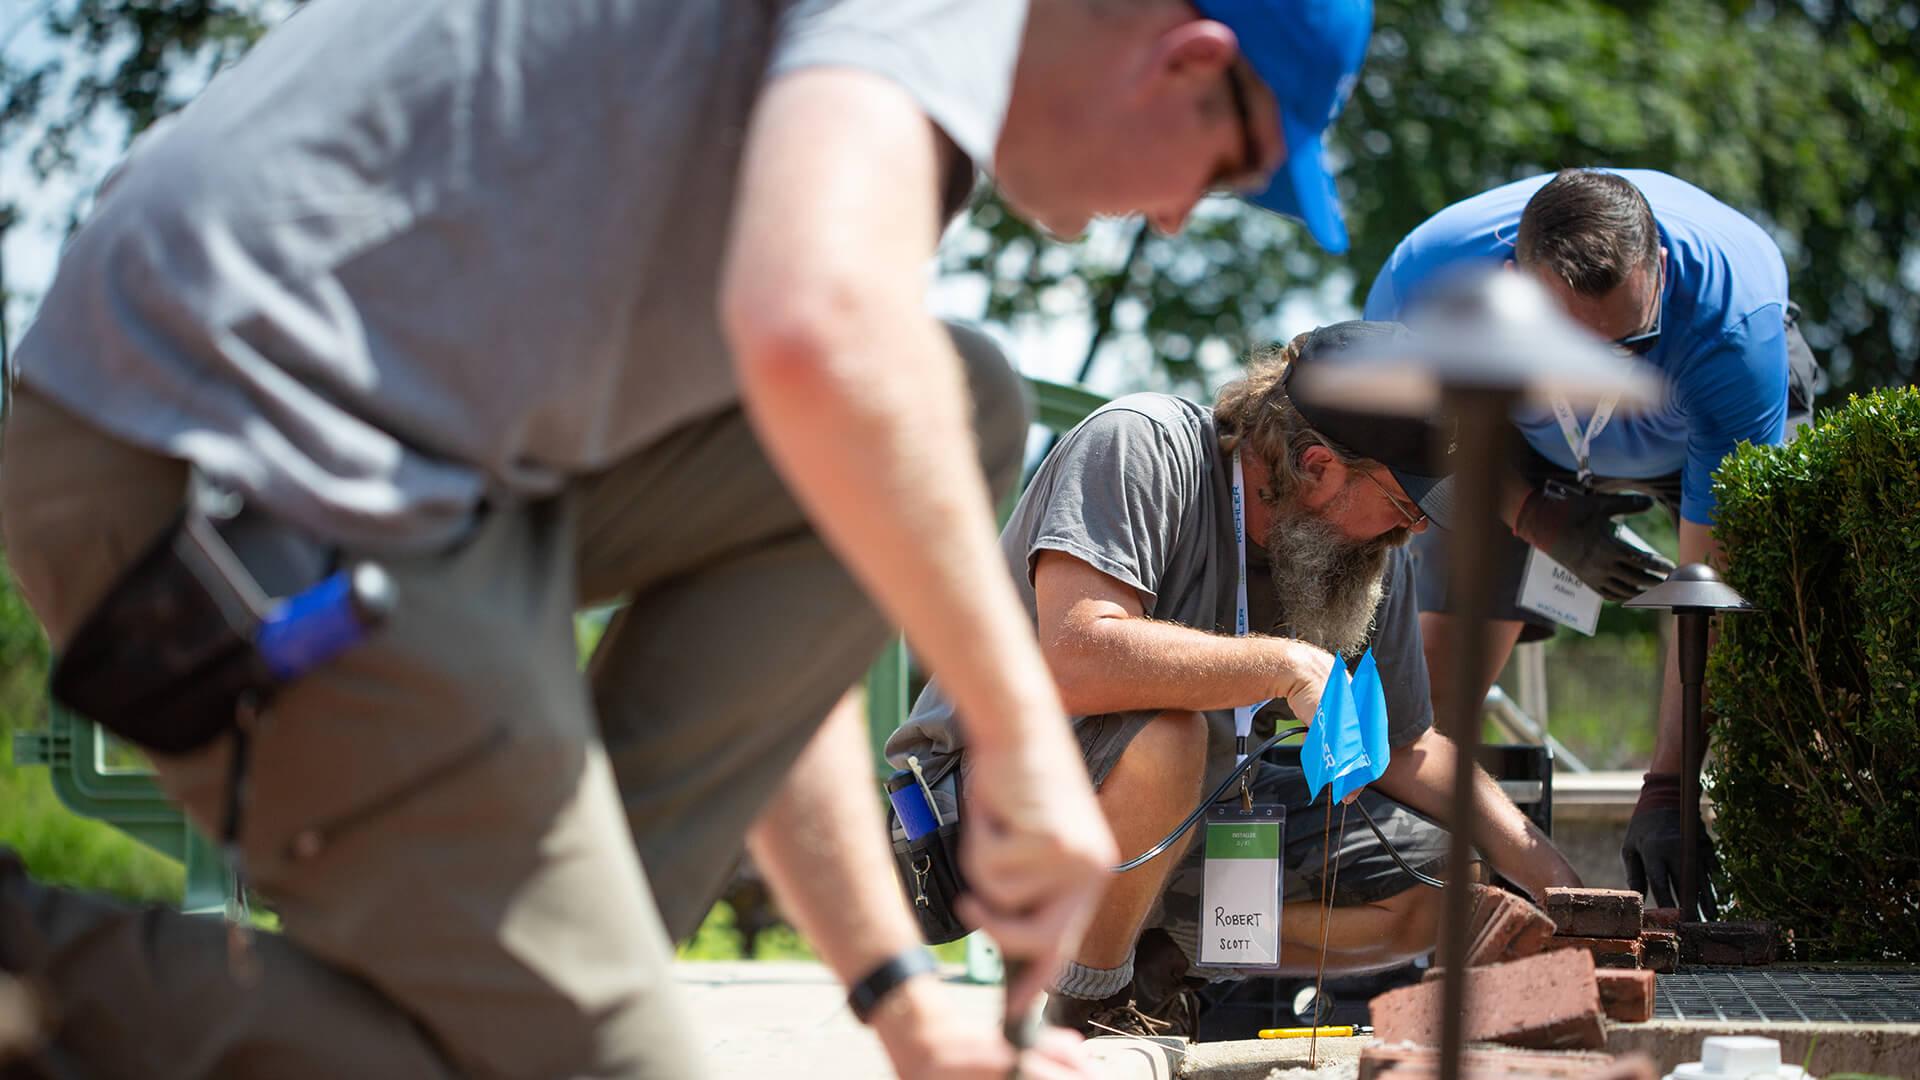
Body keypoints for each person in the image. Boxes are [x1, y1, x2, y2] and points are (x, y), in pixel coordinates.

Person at [0, 0, 1377, 1076]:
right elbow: (816, 336)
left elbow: (789, 630)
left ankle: (554, 987)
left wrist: (895, 996)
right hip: (226, 467)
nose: (1178, 216)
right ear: (1188, 59)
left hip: (410, 487)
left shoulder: (842, 126)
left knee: (951, 401)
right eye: (1226, 168)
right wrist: (1018, 734)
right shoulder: (931, 36)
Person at [886, 322, 1582, 1037]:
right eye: (1407, 505)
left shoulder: (1368, 551)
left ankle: (1160, 958)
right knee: (1168, 733)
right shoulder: (1139, 446)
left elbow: (1406, 747)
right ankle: (1090, 1010)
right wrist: (1283, 664)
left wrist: (1553, 875)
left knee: (1450, 881)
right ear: (1316, 466)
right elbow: (1076, 658)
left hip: (1191, 813)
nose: (1416, 531)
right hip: (990, 806)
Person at [1363, 168, 1821, 918]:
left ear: (1662, 272)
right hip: (1513, 443)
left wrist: (1670, 785)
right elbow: (1429, 444)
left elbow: (1713, 580)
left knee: (1779, 625)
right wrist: (1532, 516)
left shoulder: (1735, 331)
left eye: (1631, 340)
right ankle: (1423, 904)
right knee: (1435, 679)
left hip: (1688, 431)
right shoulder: (1428, 282)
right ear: (1513, 284)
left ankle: (1790, 890)